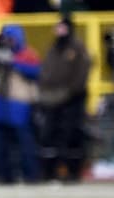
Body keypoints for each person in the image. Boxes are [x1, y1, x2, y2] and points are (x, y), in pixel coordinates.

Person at [0, 24, 41, 184]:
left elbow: (36, 72)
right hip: (1, 102)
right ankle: (3, 176)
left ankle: (30, 175)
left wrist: (13, 62)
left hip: (20, 103)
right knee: (0, 143)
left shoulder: (28, 54)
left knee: (24, 142)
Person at [36, 16, 91, 183]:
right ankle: (50, 172)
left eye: (62, 27)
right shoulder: (53, 48)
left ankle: (72, 172)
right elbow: (46, 72)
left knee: (71, 136)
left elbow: (81, 74)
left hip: (72, 101)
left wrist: (69, 93)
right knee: (49, 137)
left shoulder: (77, 48)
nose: (59, 31)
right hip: (52, 100)